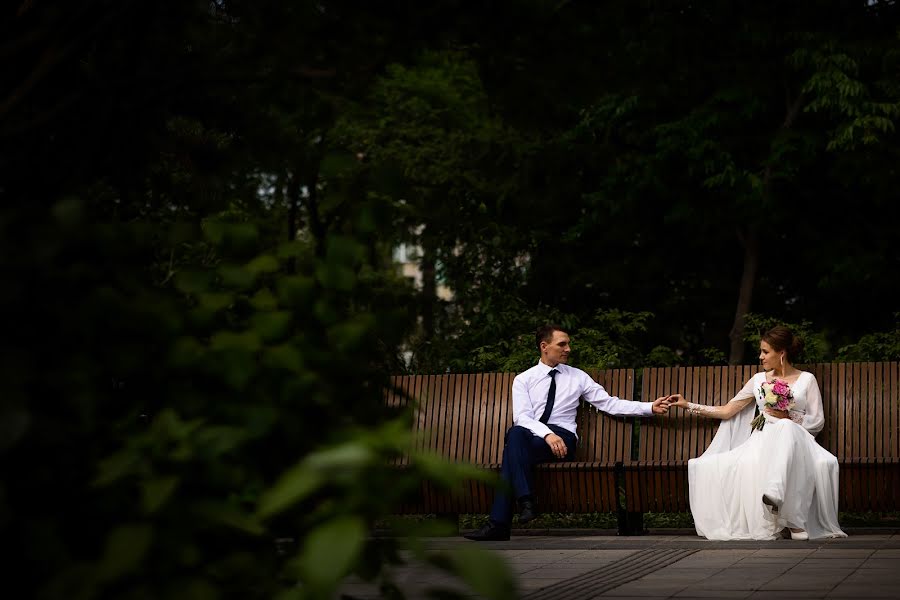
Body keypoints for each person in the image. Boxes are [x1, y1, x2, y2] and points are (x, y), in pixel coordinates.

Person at [464, 324, 670, 541]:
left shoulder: (577, 377)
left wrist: (648, 407)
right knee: (515, 434)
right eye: (562, 344)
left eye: (568, 344)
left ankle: (502, 521)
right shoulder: (524, 379)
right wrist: (547, 435)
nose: (568, 349)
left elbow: (608, 403)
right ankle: (524, 501)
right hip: (534, 439)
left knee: (511, 451)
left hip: (564, 441)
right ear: (544, 346)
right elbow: (523, 418)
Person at [665, 325, 847, 541]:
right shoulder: (758, 380)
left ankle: (778, 498)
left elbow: (817, 421)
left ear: (782, 353)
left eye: (765, 351)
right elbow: (727, 411)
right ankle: (791, 519)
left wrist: (788, 418)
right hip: (763, 440)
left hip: (800, 440)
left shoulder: (807, 379)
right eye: (761, 351)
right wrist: (688, 405)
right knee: (773, 434)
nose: (760, 356)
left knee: (787, 427)